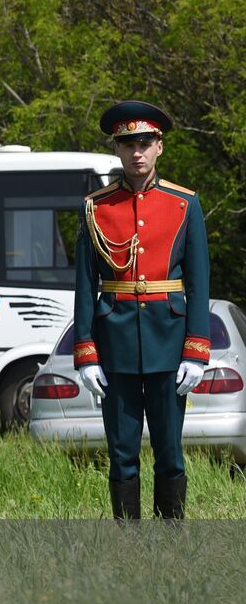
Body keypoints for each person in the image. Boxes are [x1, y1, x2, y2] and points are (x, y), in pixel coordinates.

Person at [73, 101, 209, 520]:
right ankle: (128, 540)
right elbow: (83, 284)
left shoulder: (184, 204)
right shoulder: (96, 207)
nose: (137, 151)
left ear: (159, 147)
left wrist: (196, 350)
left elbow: (198, 282)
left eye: (145, 142)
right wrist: (86, 351)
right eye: (128, 143)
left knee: (170, 450)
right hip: (114, 344)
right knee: (122, 451)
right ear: (117, 148)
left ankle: (170, 537)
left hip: (169, 342)